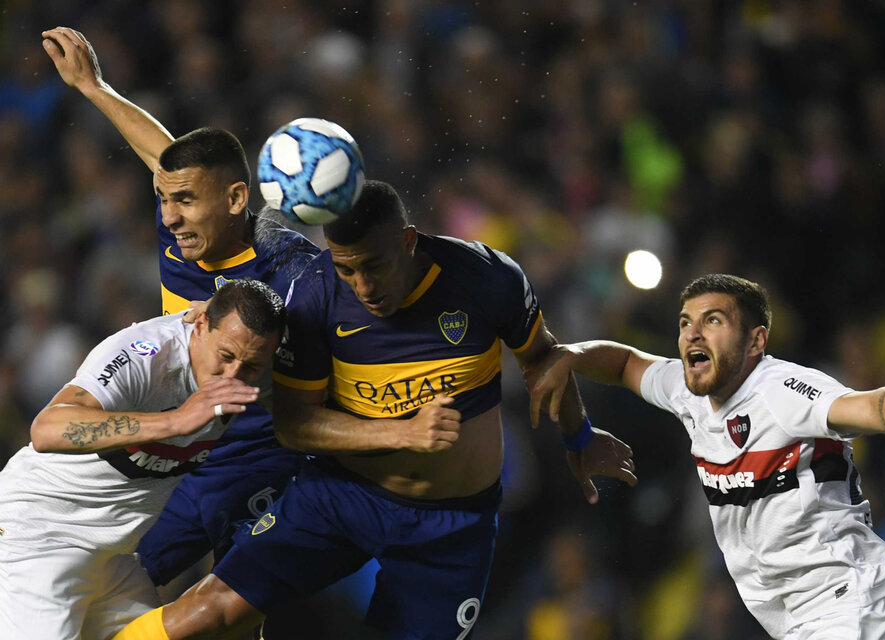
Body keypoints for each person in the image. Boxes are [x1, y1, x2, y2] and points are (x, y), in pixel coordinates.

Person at [113, 179, 638, 640]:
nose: (363, 286)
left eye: (374, 266)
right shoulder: (315, 294)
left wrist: (580, 438)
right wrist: (401, 433)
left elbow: (547, 361)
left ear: (407, 241)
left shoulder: (484, 277)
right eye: (347, 270)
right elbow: (295, 424)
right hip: (339, 497)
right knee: (212, 610)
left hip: (451, 525)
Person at [525, 273, 885, 640]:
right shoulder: (687, 392)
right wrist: (573, 354)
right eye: (685, 322)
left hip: (857, 609)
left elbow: (864, 406)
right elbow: (624, 363)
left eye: (713, 320)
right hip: (814, 618)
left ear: (756, 340)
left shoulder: (780, 389)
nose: (693, 333)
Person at [42, 27, 320, 588]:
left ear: (236, 200)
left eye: (185, 201)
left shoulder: (292, 270)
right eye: (164, 199)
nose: (168, 217)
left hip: (251, 457)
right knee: (113, 587)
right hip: (174, 452)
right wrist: (93, 87)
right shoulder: (184, 220)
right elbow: (163, 156)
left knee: (230, 604)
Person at [0, 279, 286, 640]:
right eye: (225, 357)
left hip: (113, 559)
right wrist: (175, 420)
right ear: (200, 327)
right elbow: (46, 429)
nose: (232, 376)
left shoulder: (252, 366)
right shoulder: (144, 356)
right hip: (41, 537)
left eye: (249, 366)